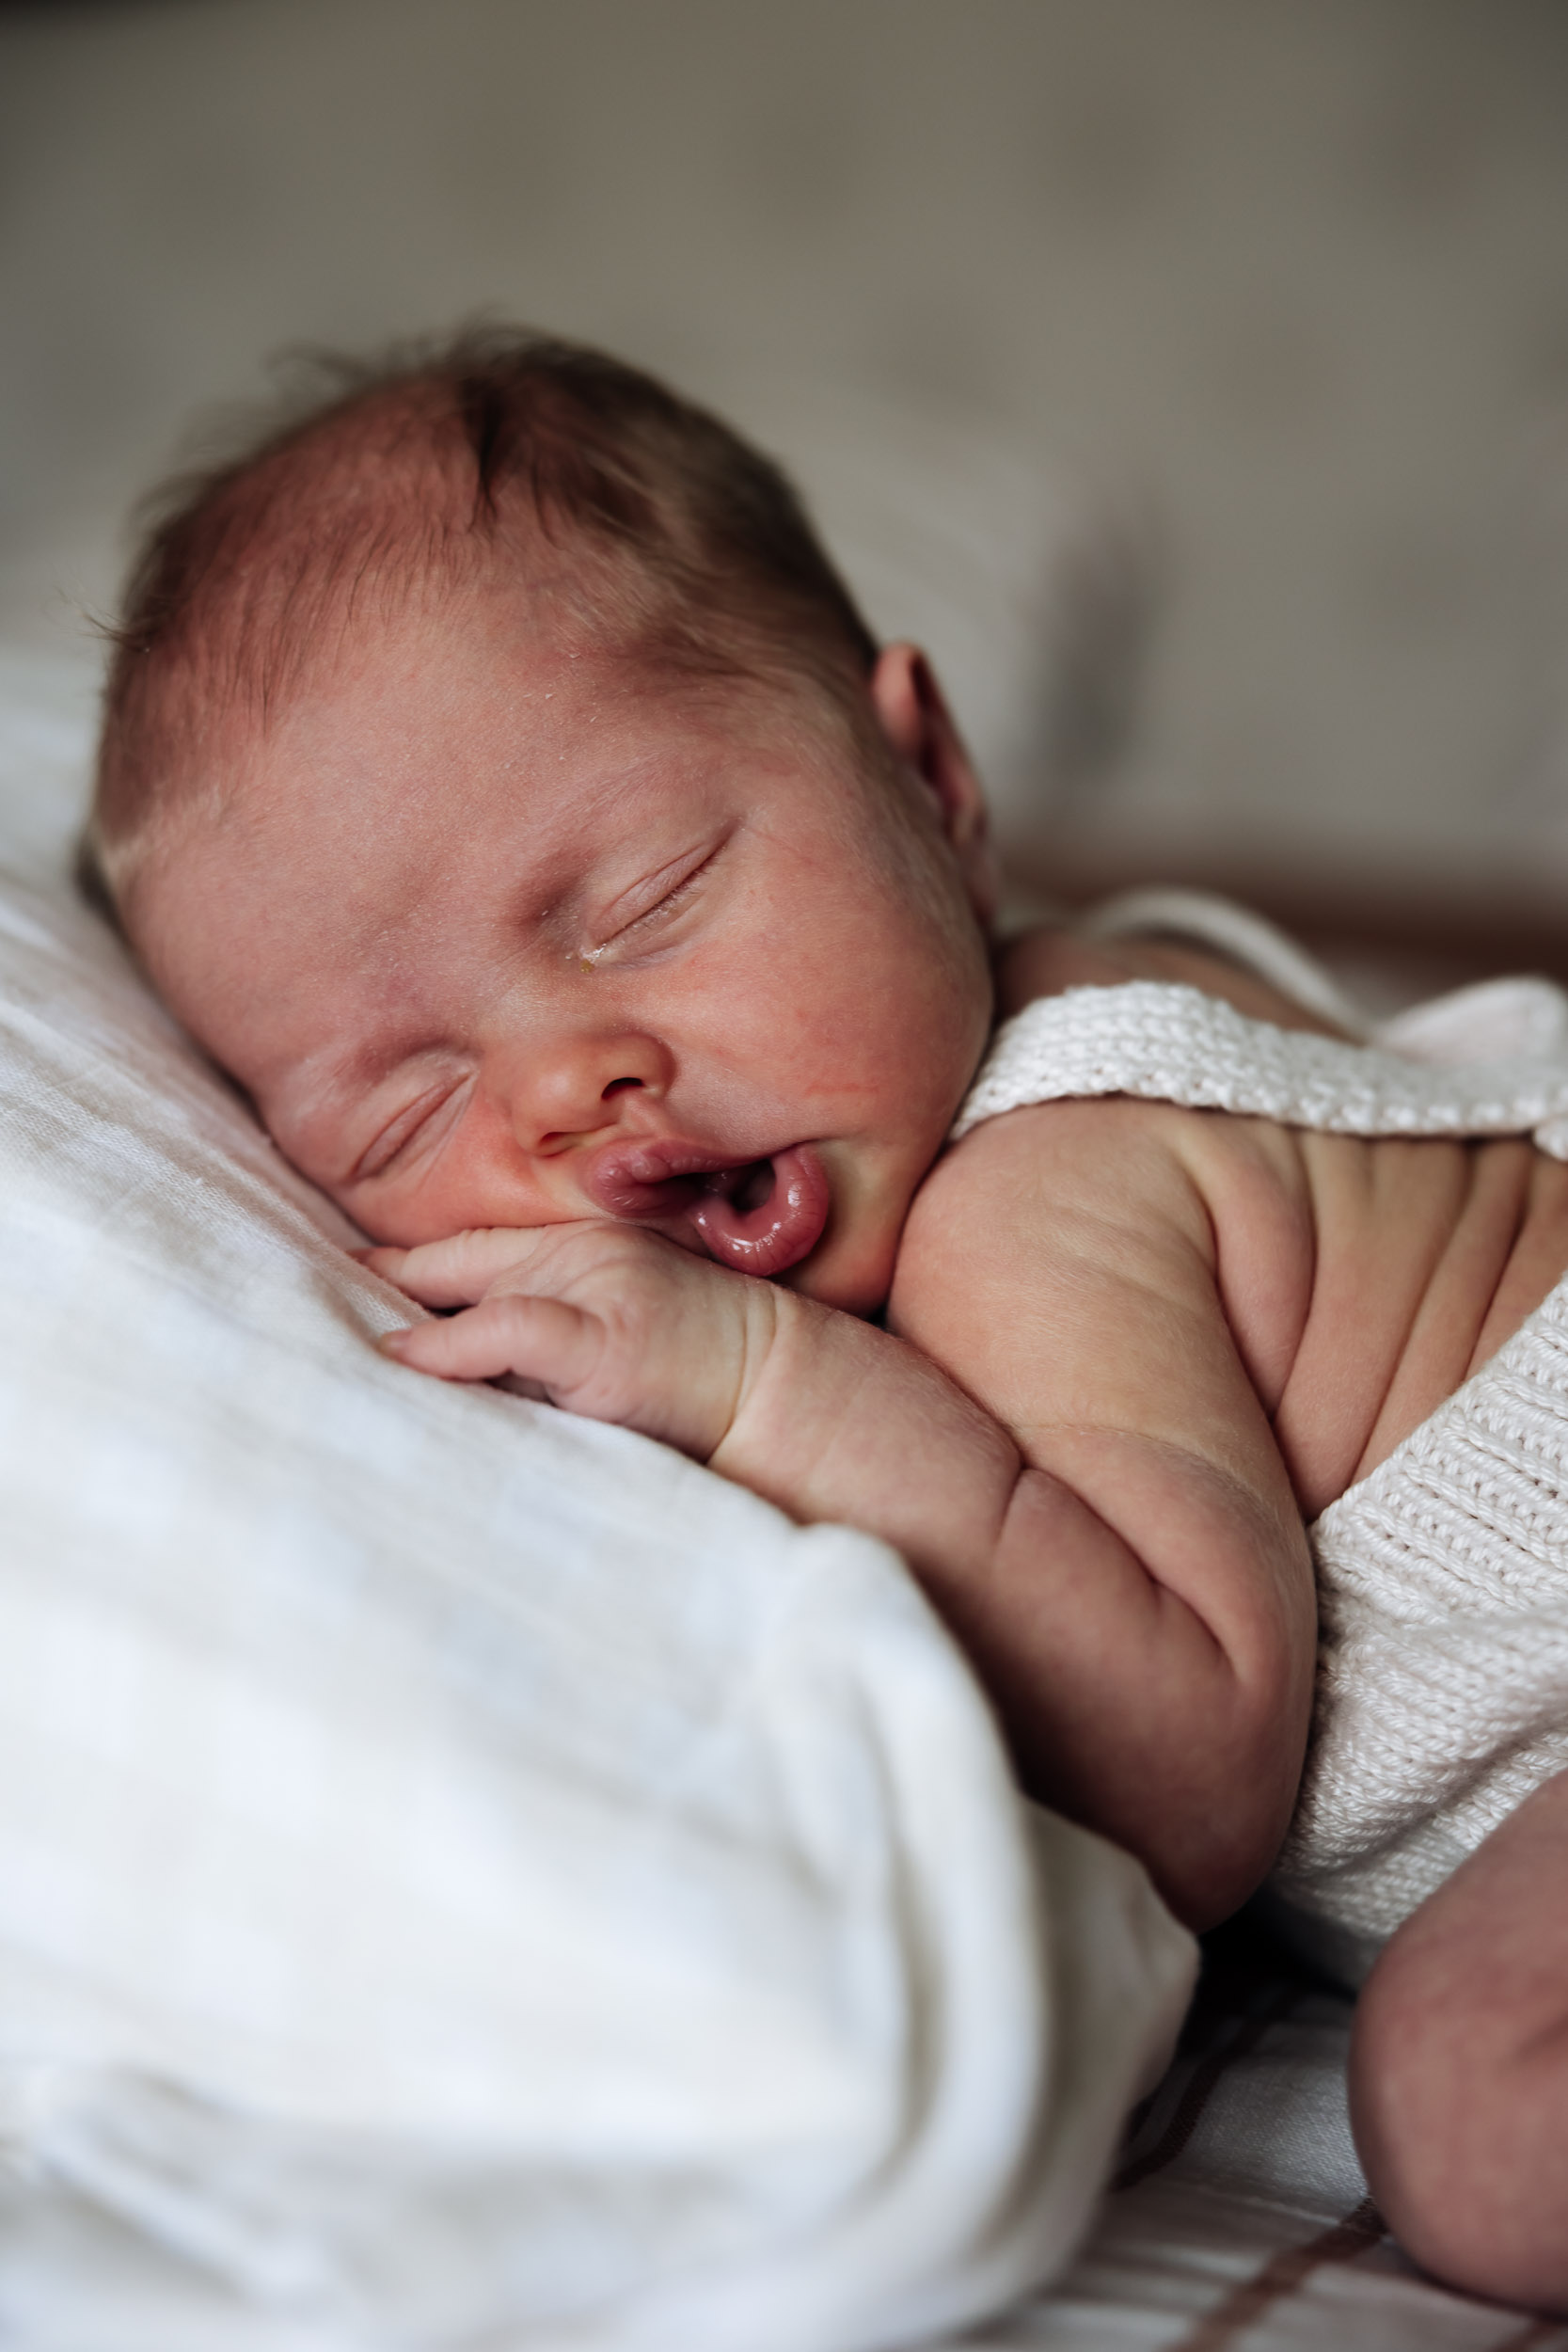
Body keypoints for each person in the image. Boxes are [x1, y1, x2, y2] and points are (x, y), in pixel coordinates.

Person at [85, 328, 1568, 2312]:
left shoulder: (1048, 1181)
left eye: (645, 896)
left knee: (1479, 2105)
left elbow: (1200, 1758)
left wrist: (763, 1377)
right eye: (409, 1105)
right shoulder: (1128, 982)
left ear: (931, 781)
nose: (567, 1080)